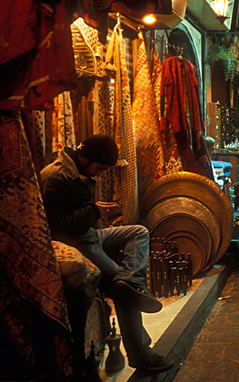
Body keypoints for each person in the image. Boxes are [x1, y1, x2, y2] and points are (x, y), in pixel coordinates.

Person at [40, 134, 173, 373]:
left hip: (87, 234)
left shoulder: (77, 170)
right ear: (85, 158)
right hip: (75, 242)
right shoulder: (56, 177)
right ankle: (141, 354)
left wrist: (93, 212)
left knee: (139, 232)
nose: (99, 174)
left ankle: (131, 280)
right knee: (127, 295)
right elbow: (55, 225)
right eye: (100, 169)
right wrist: (94, 211)